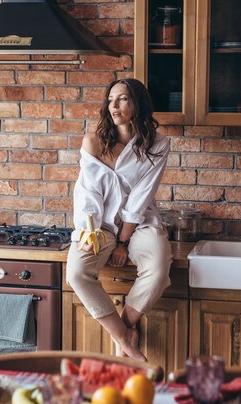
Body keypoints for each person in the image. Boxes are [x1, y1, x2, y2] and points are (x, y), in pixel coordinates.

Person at [66, 78, 172, 361]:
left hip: (139, 223)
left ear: (137, 104)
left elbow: (141, 196)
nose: (114, 105)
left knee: (158, 270)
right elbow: (87, 193)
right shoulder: (93, 141)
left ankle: (124, 330)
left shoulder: (158, 145)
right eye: (111, 99)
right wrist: (88, 232)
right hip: (99, 223)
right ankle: (124, 336)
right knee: (76, 272)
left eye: (123, 99)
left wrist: (123, 242)